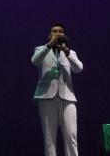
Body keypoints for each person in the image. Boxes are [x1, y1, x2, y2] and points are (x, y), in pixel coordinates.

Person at [32, 23, 83, 156]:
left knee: (71, 136)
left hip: (68, 98)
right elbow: (35, 61)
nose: (58, 33)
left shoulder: (70, 52)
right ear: (49, 35)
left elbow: (79, 68)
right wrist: (49, 45)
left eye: (61, 31)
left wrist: (66, 51)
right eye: (55, 31)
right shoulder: (41, 49)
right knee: (49, 138)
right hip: (46, 97)